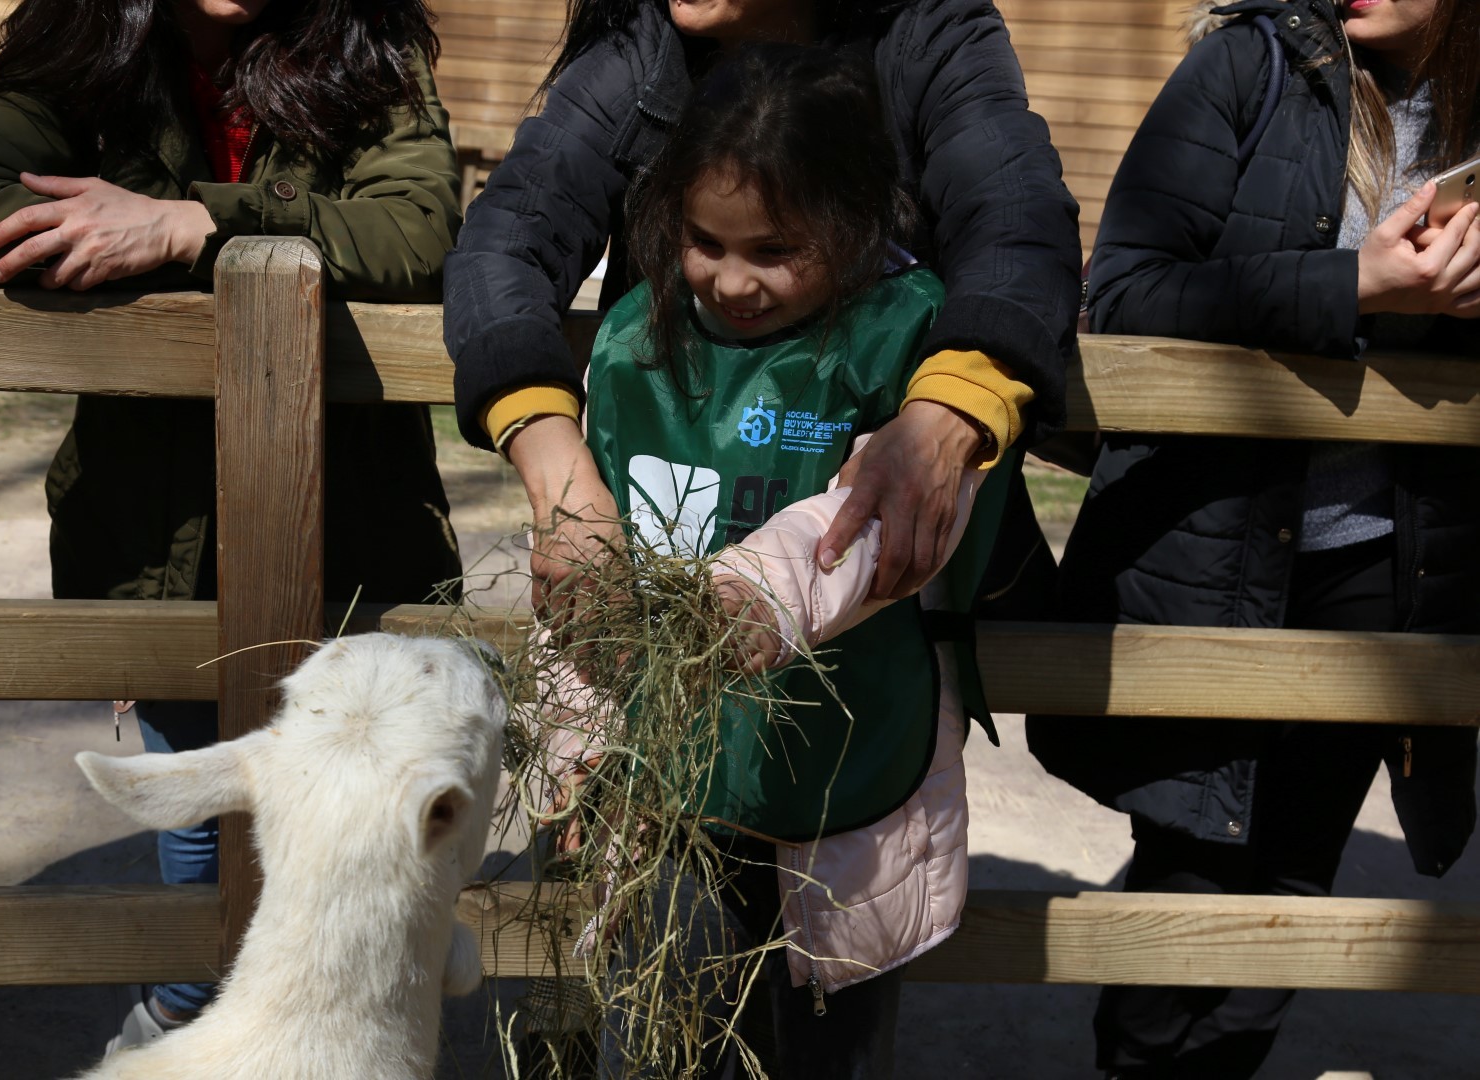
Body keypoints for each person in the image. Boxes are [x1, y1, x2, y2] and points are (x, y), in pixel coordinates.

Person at [0, 0, 463, 1049]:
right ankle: (191, 1001)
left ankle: (313, 1018)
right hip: (147, 527)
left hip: (351, 515)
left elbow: (414, 232)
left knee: (354, 796)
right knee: (194, 786)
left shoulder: (368, 53)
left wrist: (190, 222)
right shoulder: (81, 48)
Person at [538, 43, 1019, 1078]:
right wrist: (582, 757)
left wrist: (749, 600)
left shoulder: (908, 342)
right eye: (707, 242)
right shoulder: (635, 343)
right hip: (674, 792)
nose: (733, 279)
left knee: (829, 1053)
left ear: (852, 223)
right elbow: (593, 585)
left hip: (847, 777)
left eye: (776, 249)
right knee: (663, 1040)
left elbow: (877, 528)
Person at [1026, 1, 1480, 1076]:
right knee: (1189, 876)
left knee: (1290, 883)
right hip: (1214, 552)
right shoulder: (1250, 65)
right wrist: (1355, 282)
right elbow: (1127, 296)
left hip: (1386, 568)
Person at [442, 0, 1080, 621]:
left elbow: (1017, 226)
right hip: (667, 535)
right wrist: (562, 483)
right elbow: (505, 247)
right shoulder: (636, 42)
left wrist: (942, 423)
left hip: (874, 598)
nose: (735, 282)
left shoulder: (932, 32)